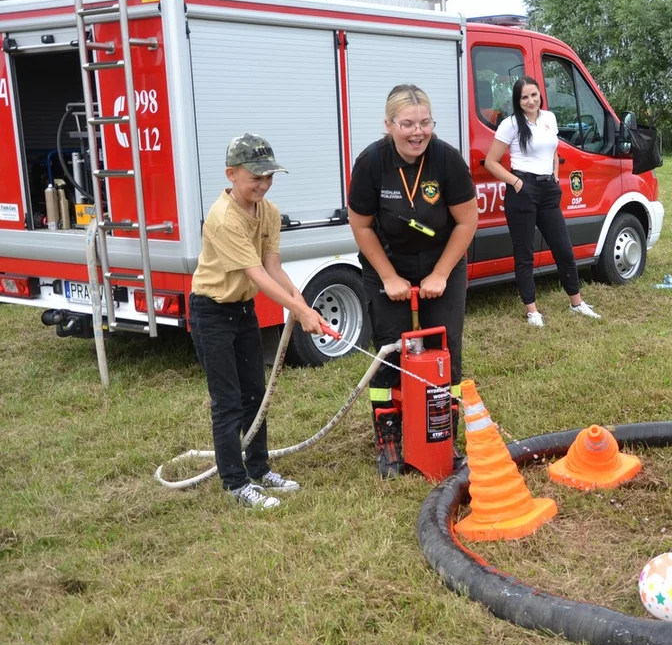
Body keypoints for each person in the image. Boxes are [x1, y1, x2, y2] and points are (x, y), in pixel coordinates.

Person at [189, 133, 326, 510]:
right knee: (228, 401)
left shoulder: (269, 211)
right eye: (255, 178)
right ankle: (235, 483)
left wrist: (305, 304)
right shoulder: (222, 218)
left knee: (256, 394)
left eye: (268, 177)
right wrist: (299, 312)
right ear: (231, 174)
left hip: (243, 312)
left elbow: (273, 267)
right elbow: (257, 276)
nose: (263, 185)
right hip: (211, 312)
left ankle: (260, 468)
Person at [348, 84, 479, 479]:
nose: (417, 132)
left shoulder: (446, 159)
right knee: (389, 352)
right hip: (386, 263)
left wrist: (440, 273)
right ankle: (389, 441)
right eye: (407, 124)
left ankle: (443, 436)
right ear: (389, 125)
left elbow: (467, 221)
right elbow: (361, 224)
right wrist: (389, 277)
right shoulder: (371, 162)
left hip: (442, 260)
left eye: (424, 123)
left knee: (445, 351)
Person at [484, 76, 602, 328]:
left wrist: (555, 178)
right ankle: (532, 311)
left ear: (540, 96)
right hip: (522, 190)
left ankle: (577, 303)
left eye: (534, 95)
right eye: (524, 97)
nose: (530, 101)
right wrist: (517, 184)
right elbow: (491, 162)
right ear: (518, 100)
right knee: (524, 253)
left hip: (548, 189)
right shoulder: (511, 124)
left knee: (563, 249)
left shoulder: (549, 118)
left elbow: (554, 150)